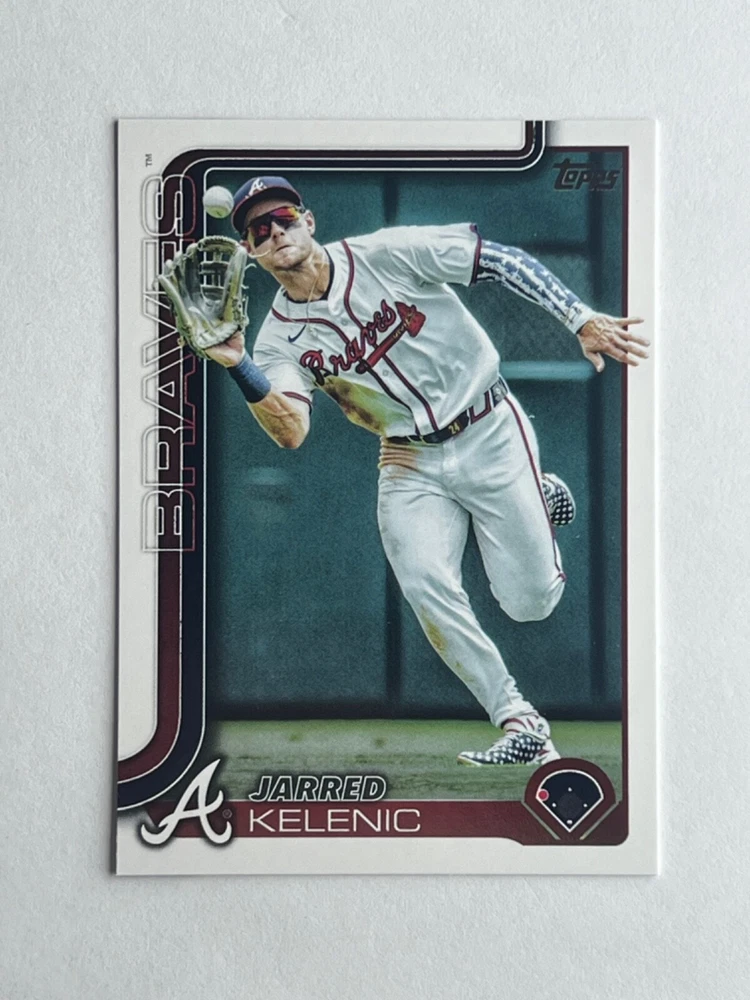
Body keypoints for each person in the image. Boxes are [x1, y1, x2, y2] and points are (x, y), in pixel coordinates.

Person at [206, 175, 648, 766]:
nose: (274, 232)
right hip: (407, 457)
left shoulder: (387, 253)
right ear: (251, 252)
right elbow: (291, 431)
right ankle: (518, 718)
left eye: (282, 218)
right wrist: (238, 365)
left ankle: (534, 499)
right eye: (259, 230)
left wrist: (579, 317)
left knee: (530, 602)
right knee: (424, 582)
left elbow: (498, 260)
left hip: (488, 426)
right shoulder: (277, 341)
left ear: (308, 221)